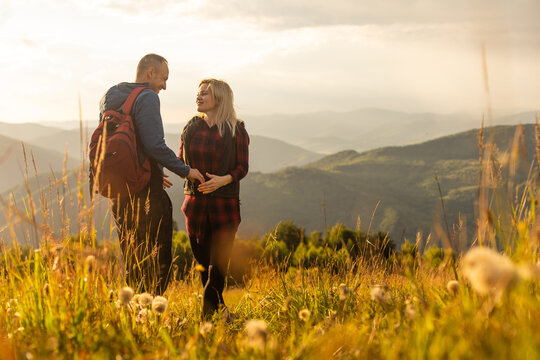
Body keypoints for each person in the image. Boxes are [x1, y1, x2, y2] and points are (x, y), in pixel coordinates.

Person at [99, 53, 205, 295]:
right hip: (145, 195)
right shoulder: (147, 97)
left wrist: (152, 170)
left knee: (133, 257)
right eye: (163, 78)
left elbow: (121, 145)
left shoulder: (110, 95)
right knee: (158, 257)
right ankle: (150, 313)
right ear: (150, 73)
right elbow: (154, 145)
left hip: (119, 192)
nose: (164, 86)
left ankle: (133, 314)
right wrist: (186, 171)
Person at [179, 79, 249, 318]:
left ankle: (205, 322)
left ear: (219, 99)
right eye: (198, 92)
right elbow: (180, 160)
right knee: (203, 268)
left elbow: (243, 167)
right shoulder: (191, 127)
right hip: (195, 208)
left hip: (224, 209)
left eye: (205, 93)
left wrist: (224, 179)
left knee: (217, 269)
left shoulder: (236, 129)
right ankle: (222, 314)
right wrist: (185, 171)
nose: (198, 97)